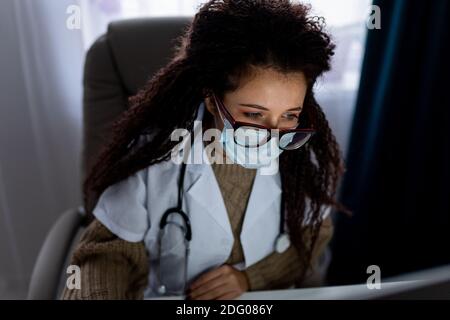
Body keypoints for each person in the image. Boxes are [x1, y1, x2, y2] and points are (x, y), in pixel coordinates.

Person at [62, 0, 349, 300]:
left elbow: (313, 239)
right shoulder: (157, 159)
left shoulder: (300, 155)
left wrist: (249, 279)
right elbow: (107, 256)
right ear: (212, 100)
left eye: (290, 115)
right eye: (253, 116)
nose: (273, 138)